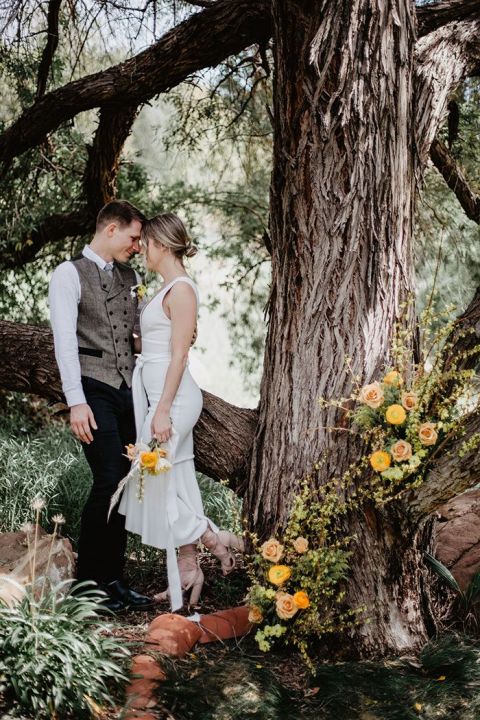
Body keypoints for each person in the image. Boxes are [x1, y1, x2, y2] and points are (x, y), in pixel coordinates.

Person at [118, 213, 244, 610]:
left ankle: (213, 538)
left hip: (172, 399)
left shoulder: (183, 290)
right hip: (155, 394)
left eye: (147, 244)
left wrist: (163, 410)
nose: (142, 250)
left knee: (155, 481)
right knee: (177, 480)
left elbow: (179, 355)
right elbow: (158, 346)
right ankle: (189, 569)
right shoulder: (164, 289)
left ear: (163, 245)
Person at [49, 199, 152, 612]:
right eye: (133, 236)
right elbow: (62, 343)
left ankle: (114, 581)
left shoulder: (131, 276)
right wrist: (76, 401)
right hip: (93, 389)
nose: (137, 244)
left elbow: (137, 337)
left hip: (129, 392)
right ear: (111, 229)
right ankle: (89, 586)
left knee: (126, 482)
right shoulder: (67, 274)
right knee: (108, 476)